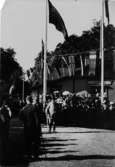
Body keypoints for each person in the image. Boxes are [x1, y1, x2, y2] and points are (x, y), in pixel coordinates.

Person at [0, 99, 12, 164]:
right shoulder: (1, 110)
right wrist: (9, 110)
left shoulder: (2, 110)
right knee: (3, 145)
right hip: (3, 130)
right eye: (4, 102)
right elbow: (4, 120)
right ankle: (3, 160)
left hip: (3, 130)